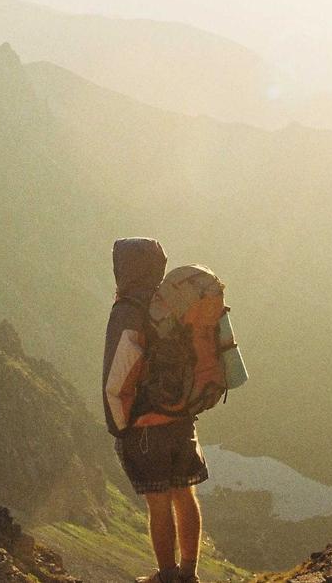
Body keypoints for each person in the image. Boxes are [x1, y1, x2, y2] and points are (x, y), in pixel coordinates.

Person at [102, 237, 208, 583]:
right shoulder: (174, 304)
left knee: (158, 503)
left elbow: (118, 375)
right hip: (181, 418)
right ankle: (189, 573)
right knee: (185, 493)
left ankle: (166, 575)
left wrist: (120, 427)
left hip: (146, 426)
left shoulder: (128, 311)